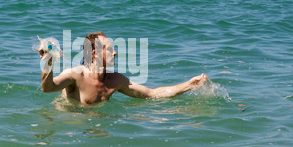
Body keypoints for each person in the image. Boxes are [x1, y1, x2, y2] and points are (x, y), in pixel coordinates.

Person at [39, 31, 209, 105]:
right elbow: (47, 88)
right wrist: (48, 61)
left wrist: (190, 85)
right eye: (110, 49)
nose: (116, 53)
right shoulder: (75, 75)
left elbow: (152, 94)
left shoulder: (115, 80)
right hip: (69, 128)